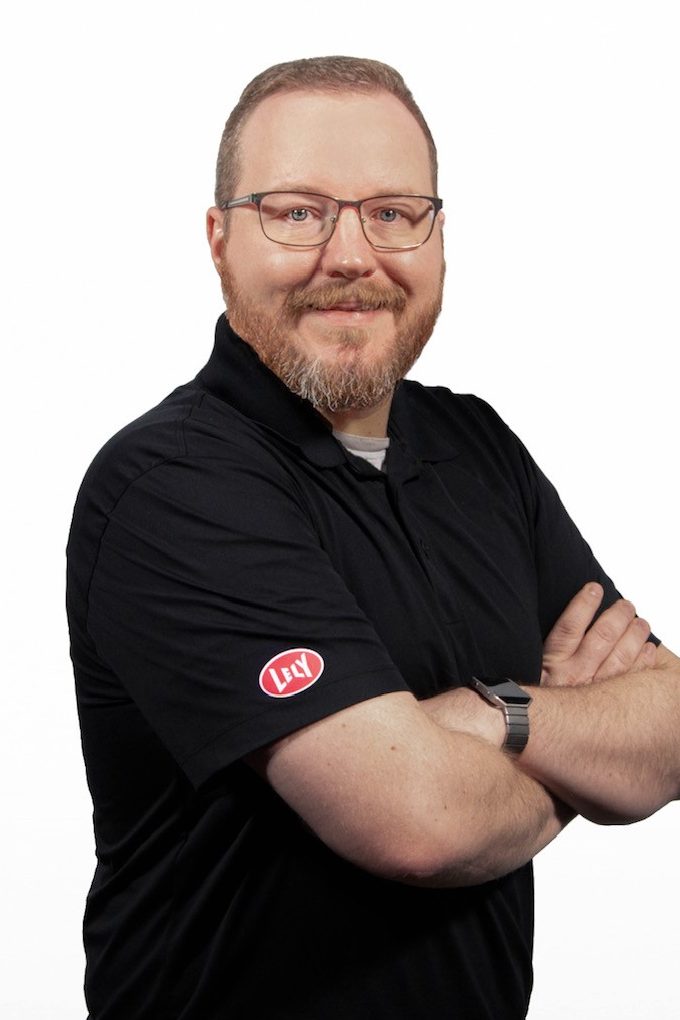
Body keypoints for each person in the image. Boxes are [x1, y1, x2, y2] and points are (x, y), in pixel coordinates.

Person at [66, 56, 680, 1020]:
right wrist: (575, 750)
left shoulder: (479, 449)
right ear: (219, 240)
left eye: (393, 212)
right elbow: (419, 822)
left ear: (439, 237)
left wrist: (490, 719)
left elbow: (673, 725)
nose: (351, 256)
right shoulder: (169, 485)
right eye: (299, 211)